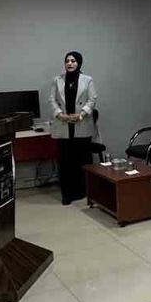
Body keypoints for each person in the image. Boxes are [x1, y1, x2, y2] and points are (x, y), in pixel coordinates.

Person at [48, 51, 99, 205]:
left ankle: (83, 191)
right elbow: (52, 100)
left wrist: (81, 115)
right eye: (67, 61)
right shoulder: (57, 80)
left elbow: (92, 99)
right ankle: (67, 194)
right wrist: (60, 115)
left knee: (81, 160)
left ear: (79, 63)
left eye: (73, 61)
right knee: (65, 162)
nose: (70, 63)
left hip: (81, 124)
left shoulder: (87, 80)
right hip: (63, 125)